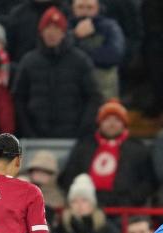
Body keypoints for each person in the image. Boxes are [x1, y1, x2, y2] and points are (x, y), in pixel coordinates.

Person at [13, 6, 102, 138]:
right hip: (36, 138)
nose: (51, 33)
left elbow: (93, 97)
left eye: (56, 28)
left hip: (73, 136)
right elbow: (18, 99)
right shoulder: (28, 61)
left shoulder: (80, 60)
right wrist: (28, 132)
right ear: (41, 32)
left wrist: (82, 131)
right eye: (47, 28)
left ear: (64, 32)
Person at [59, 99, 152, 207]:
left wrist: (130, 200)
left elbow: (148, 182)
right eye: (107, 119)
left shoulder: (138, 149)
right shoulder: (84, 146)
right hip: (87, 208)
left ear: (124, 123)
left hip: (126, 210)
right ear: (100, 123)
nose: (112, 124)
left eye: (117, 120)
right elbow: (68, 176)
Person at [69, 0, 125, 100]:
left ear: (98, 8)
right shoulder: (65, 27)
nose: (85, 12)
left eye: (90, 8)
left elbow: (114, 55)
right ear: (73, 8)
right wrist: (75, 35)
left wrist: (81, 53)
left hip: (103, 92)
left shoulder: (110, 27)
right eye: (80, 7)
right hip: (72, 93)